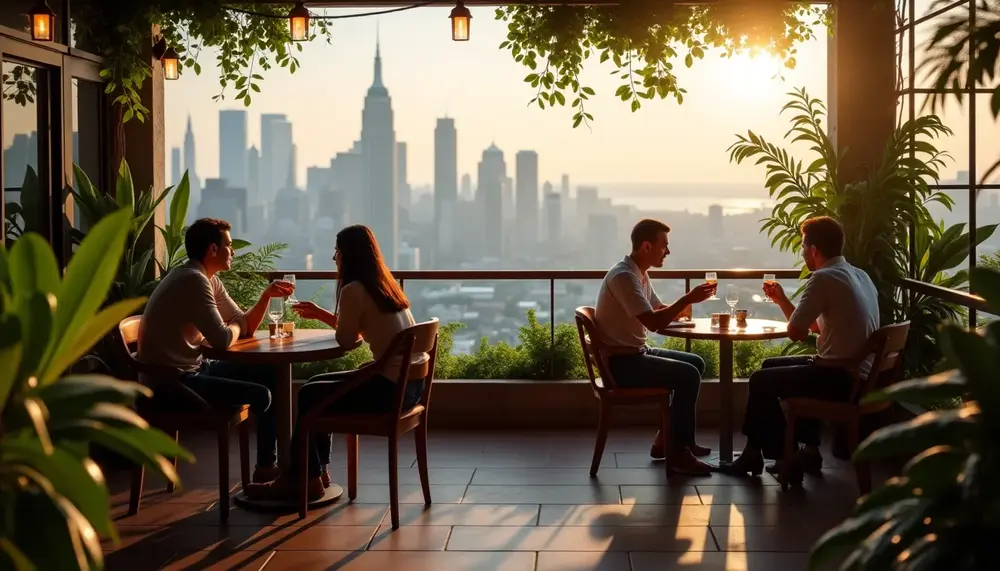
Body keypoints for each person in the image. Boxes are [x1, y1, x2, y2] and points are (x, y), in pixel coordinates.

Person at [245, 225, 422, 500]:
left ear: (347, 255)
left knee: (309, 394)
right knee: (317, 386)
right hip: (410, 388)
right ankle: (317, 471)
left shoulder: (354, 289)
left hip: (388, 393)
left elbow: (347, 340)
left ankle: (302, 479)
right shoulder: (384, 285)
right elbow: (358, 332)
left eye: (336, 252)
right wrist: (321, 314)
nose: (334, 258)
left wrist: (333, 319)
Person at [719, 216, 879, 479]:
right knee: (771, 367)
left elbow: (795, 332)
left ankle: (785, 457)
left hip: (840, 379)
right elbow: (814, 328)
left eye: (803, 247)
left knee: (761, 380)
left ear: (814, 249)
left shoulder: (823, 278)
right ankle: (803, 451)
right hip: (859, 376)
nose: (802, 252)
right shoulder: (859, 275)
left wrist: (791, 312)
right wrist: (782, 300)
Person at [138, 218, 294, 483]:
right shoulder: (192, 281)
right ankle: (271, 468)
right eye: (229, 246)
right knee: (263, 393)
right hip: (171, 385)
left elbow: (242, 326)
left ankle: (267, 468)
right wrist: (232, 326)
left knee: (270, 373)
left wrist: (265, 298)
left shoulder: (208, 279)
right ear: (212, 249)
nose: (233, 252)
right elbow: (222, 340)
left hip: (193, 372)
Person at [595, 218, 717, 476]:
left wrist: (681, 308)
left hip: (634, 353)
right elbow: (653, 323)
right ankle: (679, 451)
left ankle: (669, 440)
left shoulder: (638, 273)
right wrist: (687, 298)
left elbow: (658, 311)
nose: (668, 252)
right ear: (647, 246)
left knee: (695, 363)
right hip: (621, 365)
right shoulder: (624, 277)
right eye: (665, 246)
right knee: (688, 375)